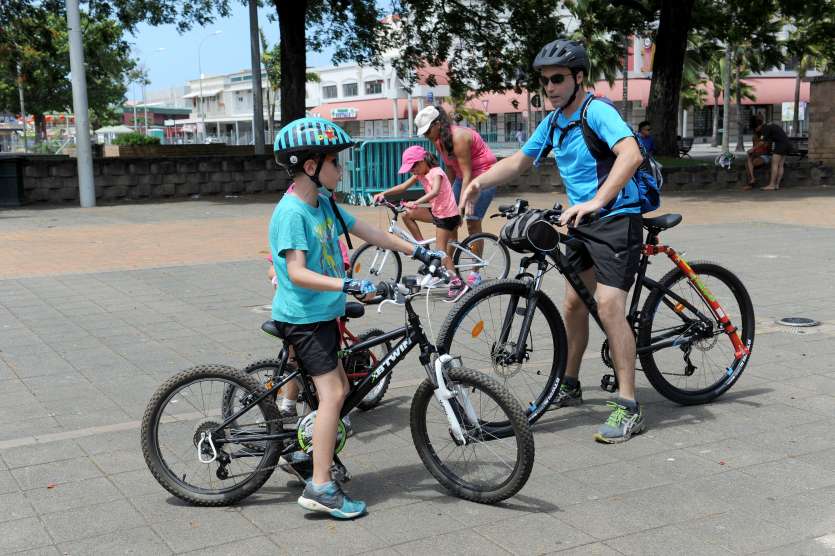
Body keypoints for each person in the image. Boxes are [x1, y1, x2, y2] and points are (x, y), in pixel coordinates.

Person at [460, 39, 646, 444]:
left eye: (558, 79)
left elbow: (631, 154)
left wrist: (599, 199)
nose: (550, 87)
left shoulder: (597, 112)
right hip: (581, 221)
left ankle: (629, 405)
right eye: (545, 81)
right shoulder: (554, 121)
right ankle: (570, 383)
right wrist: (477, 181)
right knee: (574, 303)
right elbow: (519, 161)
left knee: (610, 306)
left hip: (615, 219)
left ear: (579, 77)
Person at [270, 116, 444, 518]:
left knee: (336, 388)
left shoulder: (324, 203)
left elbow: (371, 231)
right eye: (334, 161)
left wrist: (415, 250)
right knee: (334, 393)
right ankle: (321, 486)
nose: (341, 168)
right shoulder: (293, 213)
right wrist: (346, 285)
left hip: (322, 314)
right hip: (304, 318)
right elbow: (295, 272)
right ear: (310, 166)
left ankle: (311, 452)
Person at [413, 105, 498, 288]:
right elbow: (451, 168)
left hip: (483, 176)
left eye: (428, 130)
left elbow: (468, 174)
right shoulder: (439, 140)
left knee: (471, 222)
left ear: (437, 124)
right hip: (463, 176)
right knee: (449, 221)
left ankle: (475, 272)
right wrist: (447, 195)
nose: (427, 135)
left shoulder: (459, 137)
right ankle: (448, 271)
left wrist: (460, 206)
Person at [373, 146, 465, 297]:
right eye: (410, 168)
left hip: (447, 215)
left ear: (423, 161)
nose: (412, 171)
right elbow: (403, 187)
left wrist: (416, 202)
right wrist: (383, 193)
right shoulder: (420, 174)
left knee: (440, 253)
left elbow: (435, 191)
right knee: (407, 214)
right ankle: (425, 251)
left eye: (414, 166)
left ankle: (457, 283)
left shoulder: (436, 172)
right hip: (436, 212)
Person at [751, 114, 790, 191]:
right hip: (786, 144)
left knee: (774, 164)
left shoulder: (765, 128)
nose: (756, 131)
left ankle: (772, 184)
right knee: (781, 165)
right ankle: (777, 185)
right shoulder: (770, 125)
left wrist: (753, 149)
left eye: (756, 129)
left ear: (759, 126)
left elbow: (762, 142)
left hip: (780, 145)